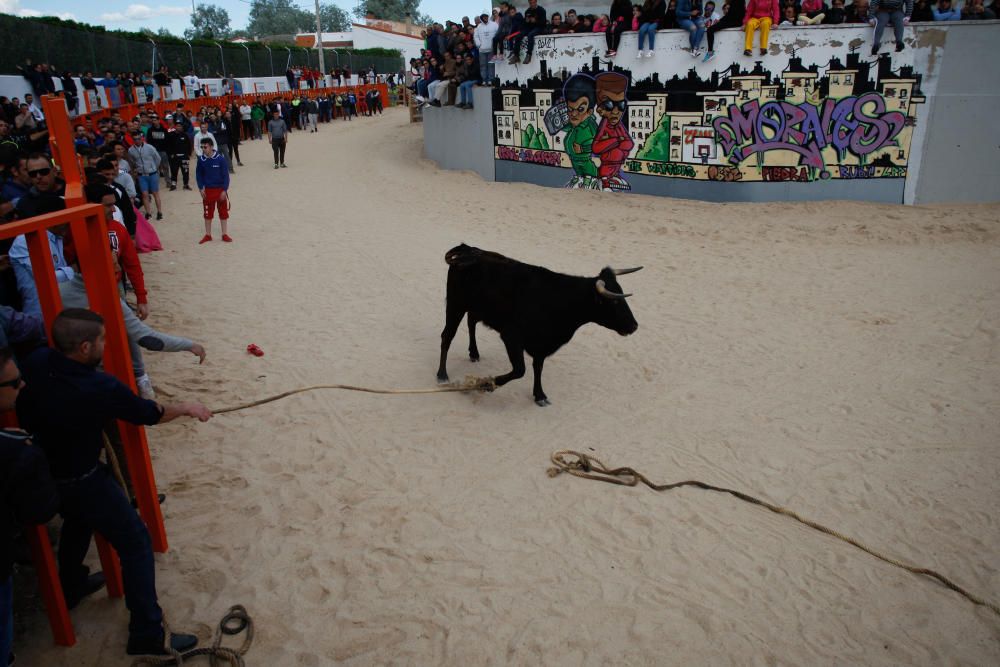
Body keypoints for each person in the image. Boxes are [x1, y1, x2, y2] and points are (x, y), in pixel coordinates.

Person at [16, 308, 211, 657]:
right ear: (86, 347)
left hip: (45, 474)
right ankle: (147, 635)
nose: (108, 344)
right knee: (136, 542)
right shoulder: (99, 385)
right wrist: (187, 408)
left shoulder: (36, 361)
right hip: (83, 478)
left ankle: (72, 585)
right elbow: (148, 414)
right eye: (103, 340)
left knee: (78, 522)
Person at [1, 345, 60, 667]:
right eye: (13, 383)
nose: (22, 386)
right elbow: (39, 510)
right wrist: (27, 455)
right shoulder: (15, 451)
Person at [195, 138, 232, 244]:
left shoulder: (220, 159)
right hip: (208, 191)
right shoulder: (201, 160)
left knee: (223, 212)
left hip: (220, 190)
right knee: (207, 213)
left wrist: (224, 190)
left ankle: (224, 234)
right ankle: (208, 235)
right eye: (202, 147)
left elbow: (226, 176)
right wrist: (201, 188)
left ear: (211, 147)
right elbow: (199, 175)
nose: (203, 149)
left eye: (205, 147)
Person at [128, 131, 162, 221]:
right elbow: (132, 162)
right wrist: (135, 170)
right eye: (135, 139)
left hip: (152, 174)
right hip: (141, 175)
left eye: (139, 139)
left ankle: (159, 212)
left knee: (155, 193)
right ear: (133, 139)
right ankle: (148, 212)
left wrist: (154, 168)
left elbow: (158, 158)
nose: (137, 141)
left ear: (141, 138)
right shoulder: (131, 150)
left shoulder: (149, 147)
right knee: (144, 194)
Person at [164, 116, 192, 191]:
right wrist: (171, 155)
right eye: (177, 126)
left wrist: (188, 154)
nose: (179, 127)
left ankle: (186, 185)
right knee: (174, 171)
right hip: (174, 157)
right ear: (175, 126)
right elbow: (168, 146)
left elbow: (189, 145)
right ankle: (173, 185)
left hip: (184, 157)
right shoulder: (170, 135)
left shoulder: (185, 135)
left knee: (185, 171)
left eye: (180, 126)